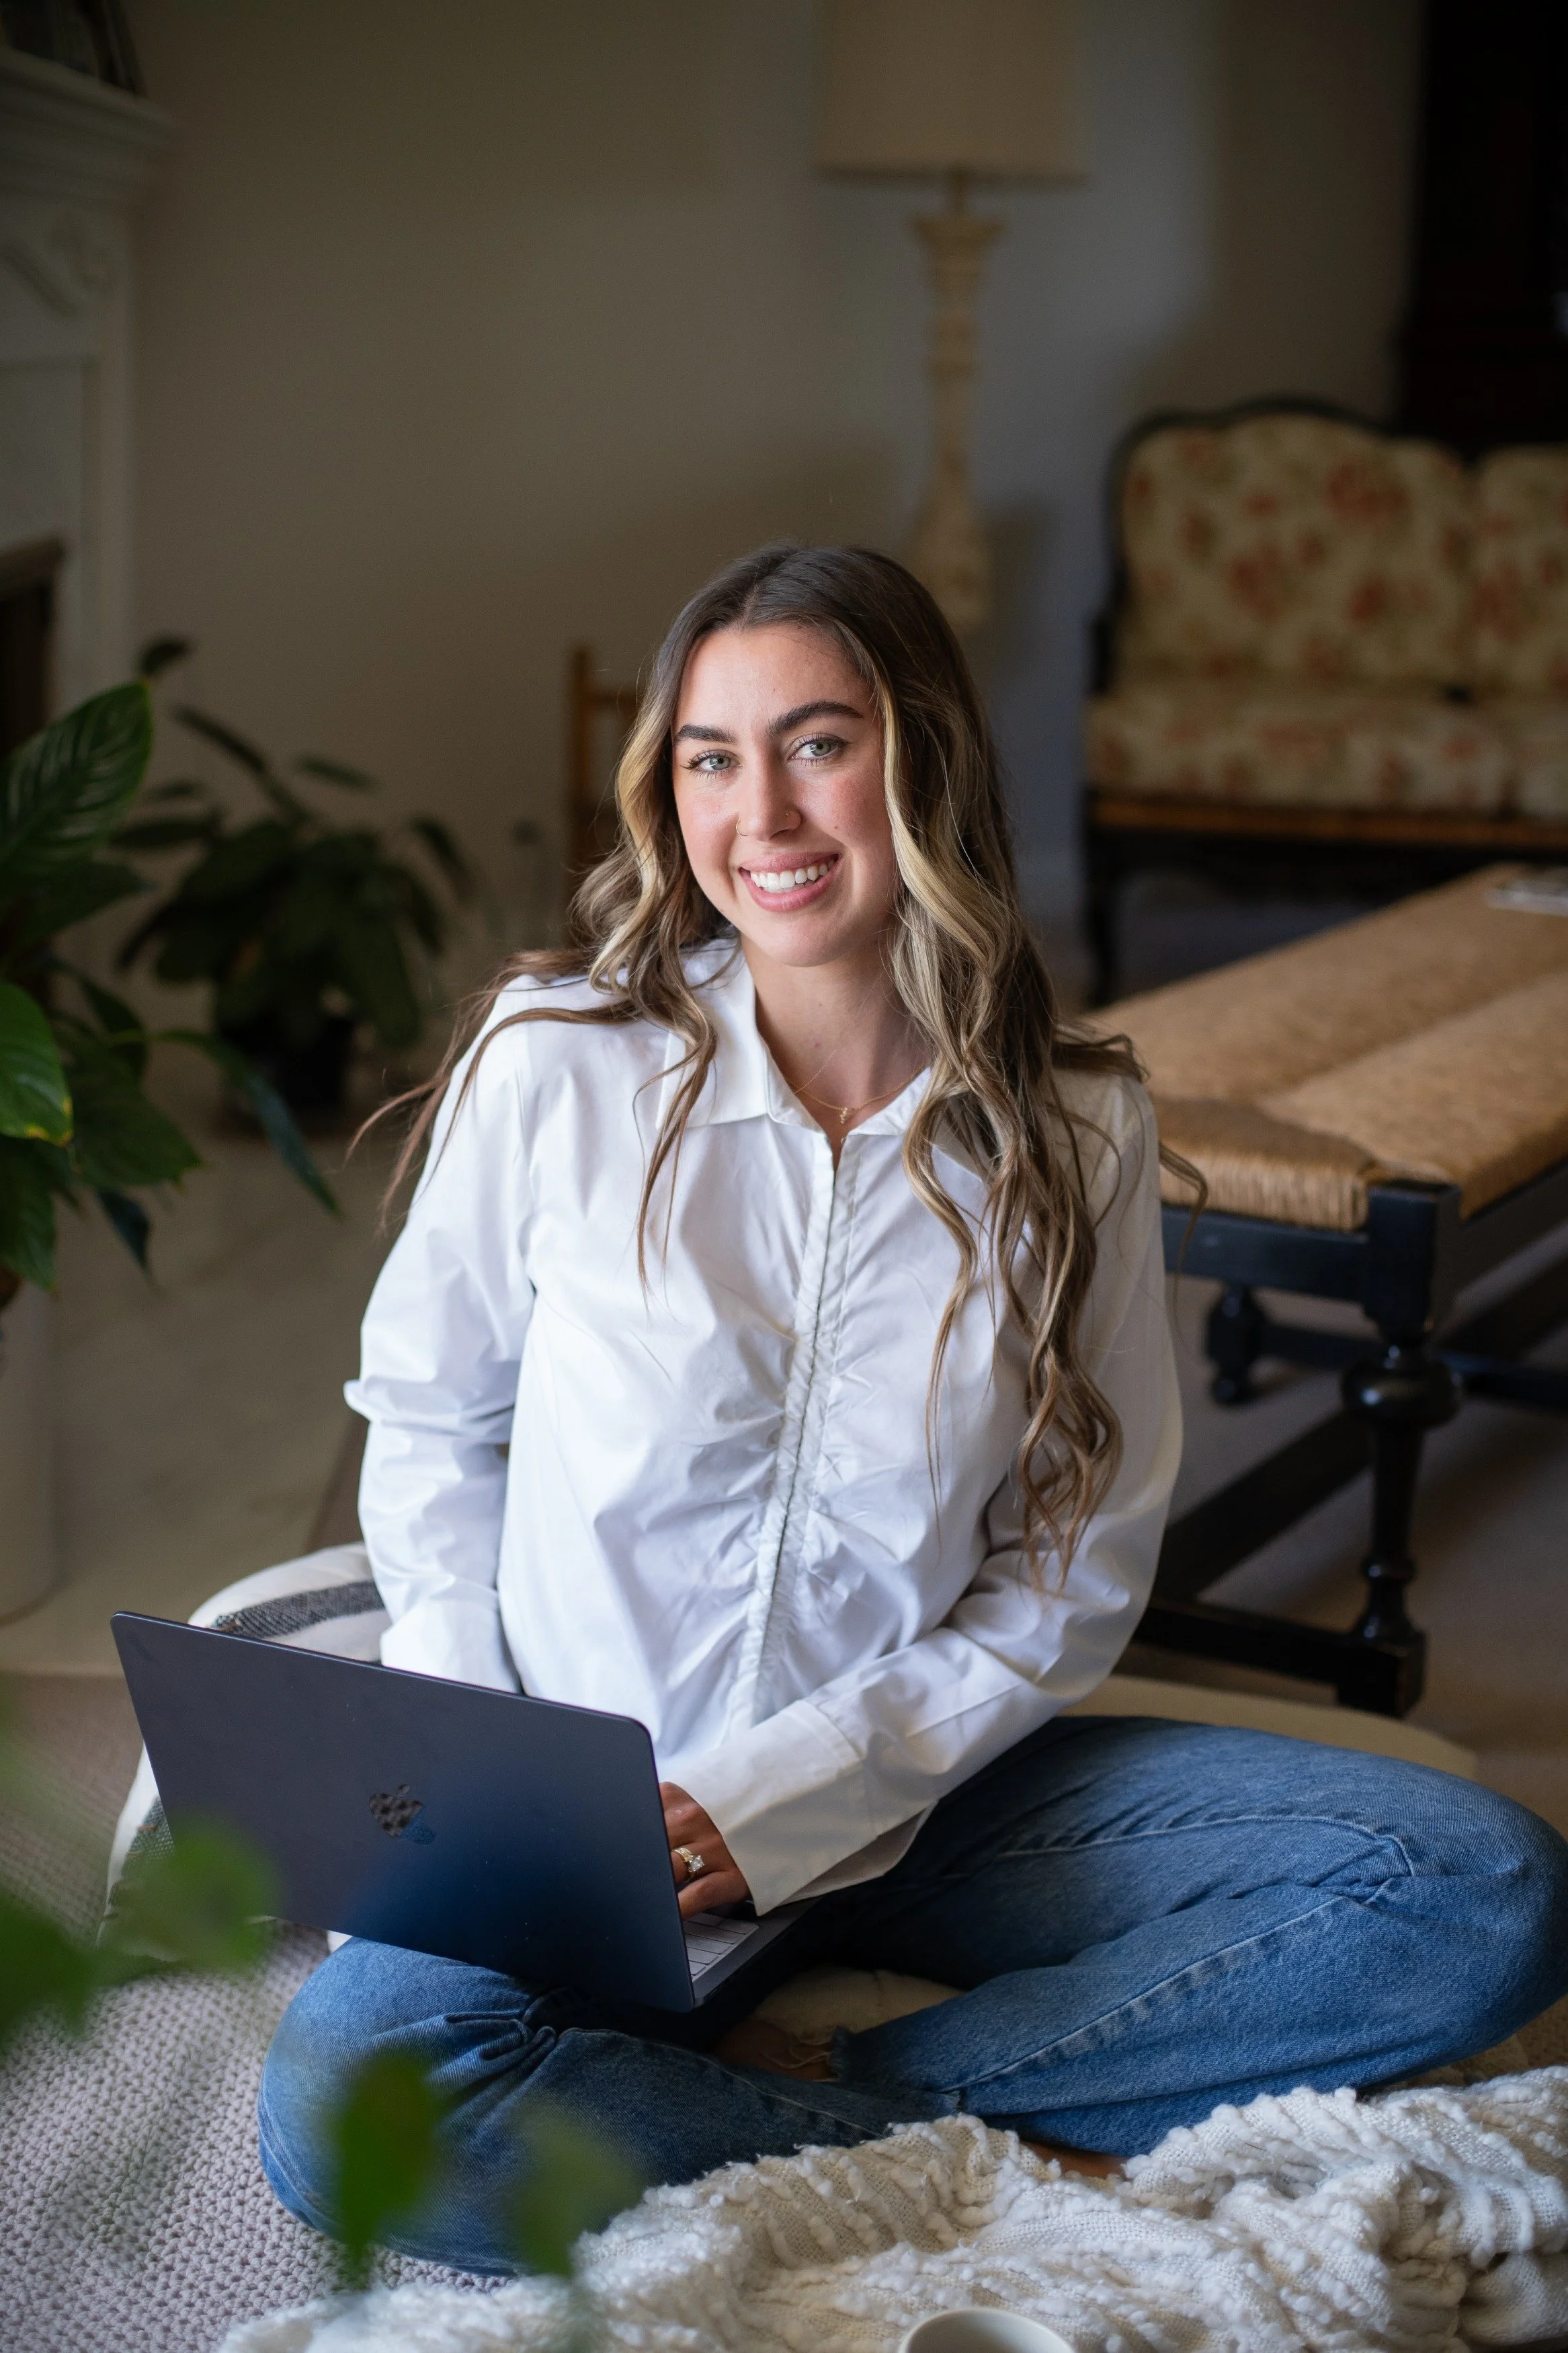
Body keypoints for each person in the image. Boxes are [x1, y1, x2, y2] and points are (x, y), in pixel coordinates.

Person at [257, 545, 1568, 2274]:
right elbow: (427, 1423)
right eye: (709, 758)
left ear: (924, 759)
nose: (760, 811)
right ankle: (974, 2171)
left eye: (818, 742)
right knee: (349, 2094)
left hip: (919, 1800)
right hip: (585, 1810)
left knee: (1483, 1885)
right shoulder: (557, 1057)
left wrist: (787, 1789)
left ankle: (862, 2098)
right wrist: (487, 1755)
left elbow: (1065, 1571)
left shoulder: (1076, 1123)